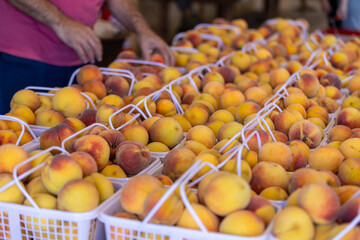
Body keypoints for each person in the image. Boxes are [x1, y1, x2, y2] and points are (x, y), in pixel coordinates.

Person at [0, 0, 174, 114]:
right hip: (25, 58)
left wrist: (142, 28)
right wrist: (60, 21)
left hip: (82, 60)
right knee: (16, 144)